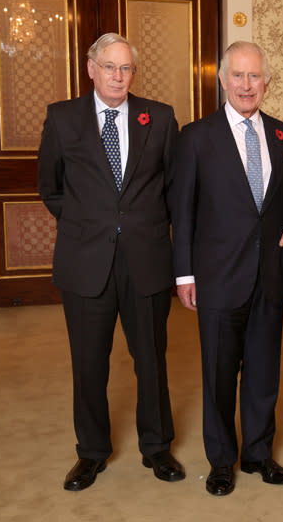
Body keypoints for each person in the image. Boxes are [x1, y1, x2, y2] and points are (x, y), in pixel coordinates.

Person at [37, 33, 184, 491]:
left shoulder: (159, 118)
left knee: (152, 360)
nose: (118, 76)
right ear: (91, 68)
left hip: (147, 260)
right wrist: (90, 225)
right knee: (88, 363)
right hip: (86, 263)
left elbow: (174, 188)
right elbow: (51, 187)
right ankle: (92, 453)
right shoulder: (62, 119)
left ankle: (157, 447)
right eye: (109, 67)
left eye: (126, 69)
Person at [169, 41, 283, 497]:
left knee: (264, 373)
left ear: (267, 83)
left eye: (255, 77)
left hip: (270, 275)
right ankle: (222, 460)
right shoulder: (195, 137)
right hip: (218, 277)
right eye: (238, 76)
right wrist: (184, 275)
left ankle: (259, 454)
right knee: (220, 375)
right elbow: (182, 211)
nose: (247, 85)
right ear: (223, 80)